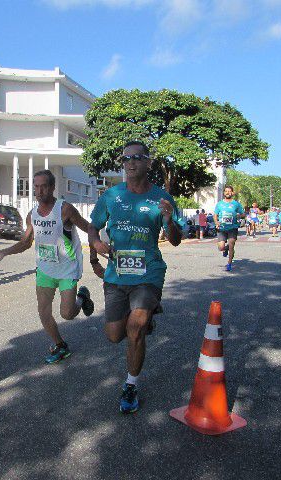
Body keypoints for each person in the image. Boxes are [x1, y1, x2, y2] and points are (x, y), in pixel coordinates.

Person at [88, 140, 182, 414]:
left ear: (148, 163)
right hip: (117, 274)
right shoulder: (111, 196)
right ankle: (146, 315)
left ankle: (131, 384)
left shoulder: (162, 199)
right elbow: (93, 228)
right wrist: (95, 245)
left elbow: (175, 241)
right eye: (126, 158)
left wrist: (170, 221)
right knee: (114, 336)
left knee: (135, 329)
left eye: (137, 158)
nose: (130, 163)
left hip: (148, 272)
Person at [0, 170, 95, 363]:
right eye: (36, 186)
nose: (39, 190)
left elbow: (88, 228)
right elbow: (26, 242)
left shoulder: (65, 209)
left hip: (67, 269)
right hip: (45, 269)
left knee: (67, 314)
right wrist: (3, 253)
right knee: (44, 313)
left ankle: (82, 298)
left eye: (44, 186)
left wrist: (98, 249)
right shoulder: (32, 215)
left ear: (52, 187)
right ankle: (60, 345)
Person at [214, 185, 244, 272]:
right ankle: (225, 249)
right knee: (221, 247)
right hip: (222, 228)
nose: (228, 193)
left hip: (233, 228)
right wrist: (216, 222)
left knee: (231, 245)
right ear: (224, 193)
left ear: (232, 193)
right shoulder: (219, 204)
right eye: (226, 191)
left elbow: (243, 214)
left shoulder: (236, 204)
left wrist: (238, 215)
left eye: (229, 191)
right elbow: (215, 215)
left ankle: (229, 264)